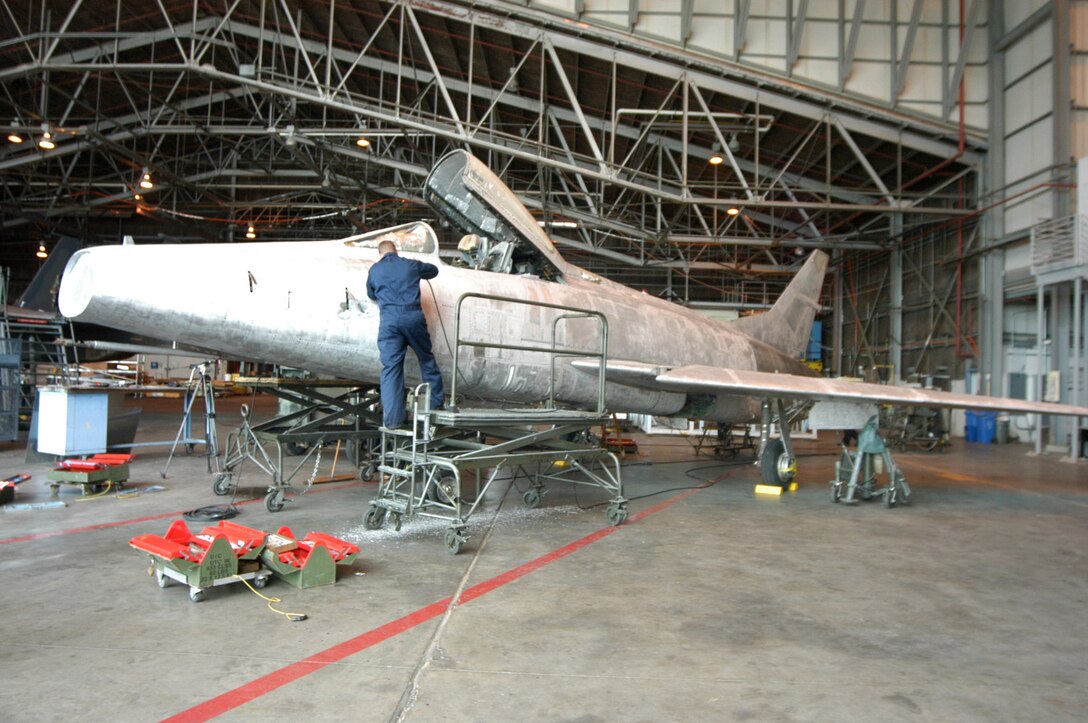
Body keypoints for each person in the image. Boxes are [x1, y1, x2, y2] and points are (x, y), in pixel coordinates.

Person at [366, 239, 445, 428]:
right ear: (396, 251)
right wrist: (416, 271)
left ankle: (393, 421)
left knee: (391, 368)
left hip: (389, 322)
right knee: (426, 359)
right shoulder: (410, 265)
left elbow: (371, 294)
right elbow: (434, 271)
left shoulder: (375, 270)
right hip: (413, 318)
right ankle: (436, 405)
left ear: (380, 254)